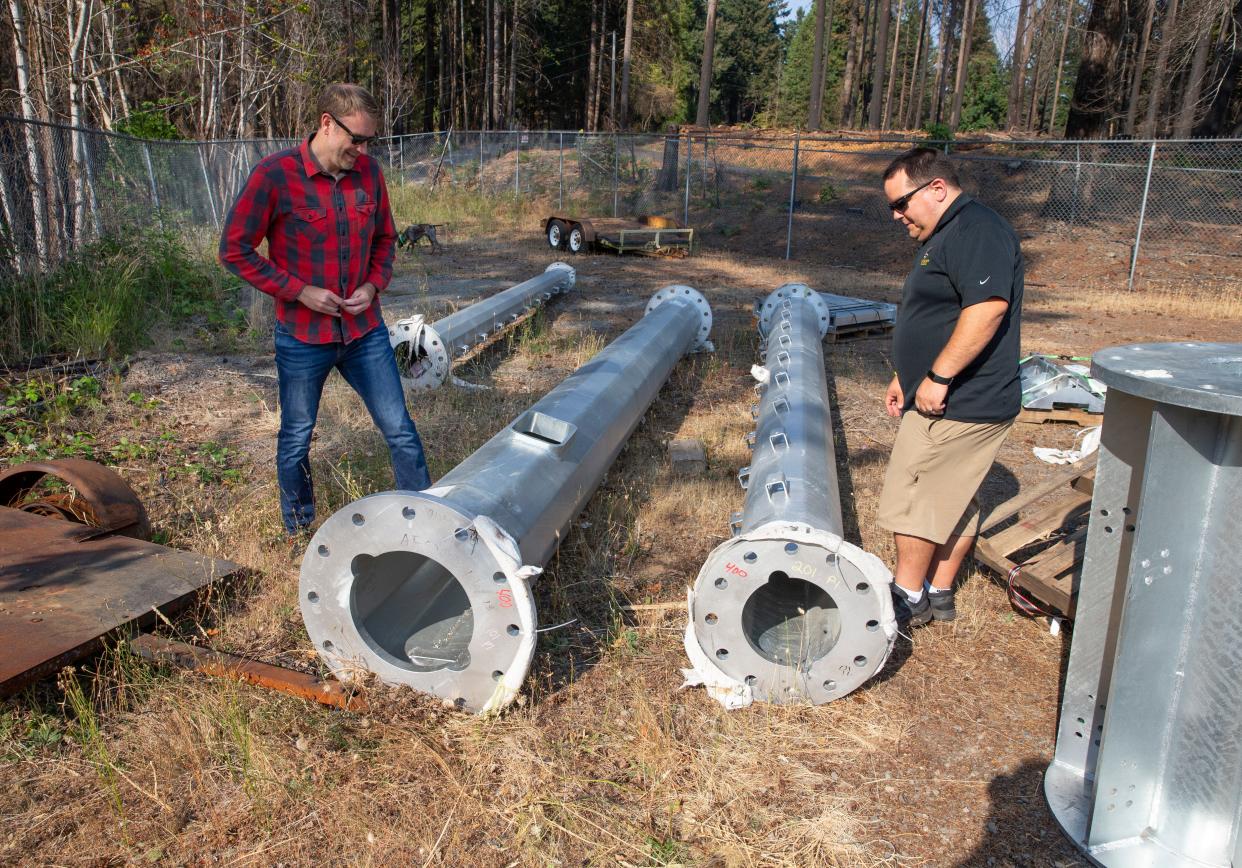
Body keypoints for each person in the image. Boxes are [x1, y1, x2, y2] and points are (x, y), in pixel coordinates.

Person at [219, 82, 431, 539]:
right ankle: (299, 531)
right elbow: (234, 250)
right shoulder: (274, 176)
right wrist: (297, 291)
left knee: (400, 428)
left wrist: (374, 285)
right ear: (326, 124)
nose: (362, 148)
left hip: (364, 333)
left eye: (369, 140)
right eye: (356, 138)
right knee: (296, 438)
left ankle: (427, 519)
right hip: (302, 337)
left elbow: (384, 241)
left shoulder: (370, 175)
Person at [875, 147, 1023, 626]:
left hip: (962, 399)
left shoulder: (977, 230)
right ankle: (938, 591)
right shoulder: (947, 232)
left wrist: (938, 379)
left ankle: (906, 597)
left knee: (915, 493)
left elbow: (986, 310)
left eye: (901, 204)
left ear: (936, 189)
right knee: (952, 497)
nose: (897, 215)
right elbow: (939, 314)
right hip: (950, 393)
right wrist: (908, 373)